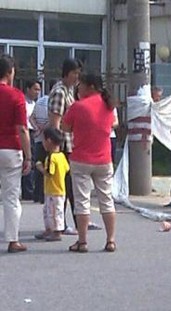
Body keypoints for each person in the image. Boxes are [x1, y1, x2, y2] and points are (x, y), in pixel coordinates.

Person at [62, 73, 117, 253]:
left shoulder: (78, 106)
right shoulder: (109, 105)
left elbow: (65, 127)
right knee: (106, 200)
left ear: (90, 86)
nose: (78, 88)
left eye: (81, 85)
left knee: (82, 201)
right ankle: (110, 240)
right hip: (104, 159)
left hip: (81, 159)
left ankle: (82, 241)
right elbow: (113, 124)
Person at [0, 54, 32, 253]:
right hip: (11, 148)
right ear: (10, 72)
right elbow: (22, 129)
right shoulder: (16, 96)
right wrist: (28, 156)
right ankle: (13, 240)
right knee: (11, 196)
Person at [48, 58, 81, 235]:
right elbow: (55, 123)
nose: (77, 77)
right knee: (62, 188)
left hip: (70, 144)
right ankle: (60, 224)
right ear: (67, 73)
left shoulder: (70, 91)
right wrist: (56, 149)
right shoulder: (60, 92)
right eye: (75, 73)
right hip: (62, 147)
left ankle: (74, 222)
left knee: (69, 187)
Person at [34, 127, 69, 242]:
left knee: (53, 211)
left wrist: (40, 167)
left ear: (48, 141)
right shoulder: (62, 156)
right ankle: (50, 229)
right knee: (51, 210)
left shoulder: (51, 157)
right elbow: (67, 169)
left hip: (53, 190)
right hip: (59, 189)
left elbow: (49, 173)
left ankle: (56, 231)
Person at [30, 80, 57, 204]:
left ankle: (37, 194)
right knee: (48, 168)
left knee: (38, 166)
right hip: (49, 141)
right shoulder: (54, 102)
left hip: (38, 139)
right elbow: (53, 121)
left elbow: (31, 118)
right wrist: (44, 128)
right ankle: (45, 195)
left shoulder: (40, 101)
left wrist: (37, 128)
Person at [21, 80, 41, 201]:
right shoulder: (23, 103)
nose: (37, 92)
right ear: (28, 89)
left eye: (39, 90)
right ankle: (27, 190)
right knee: (27, 161)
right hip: (25, 133)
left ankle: (30, 189)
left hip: (34, 133)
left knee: (32, 162)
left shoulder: (35, 103)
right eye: (35, 89)